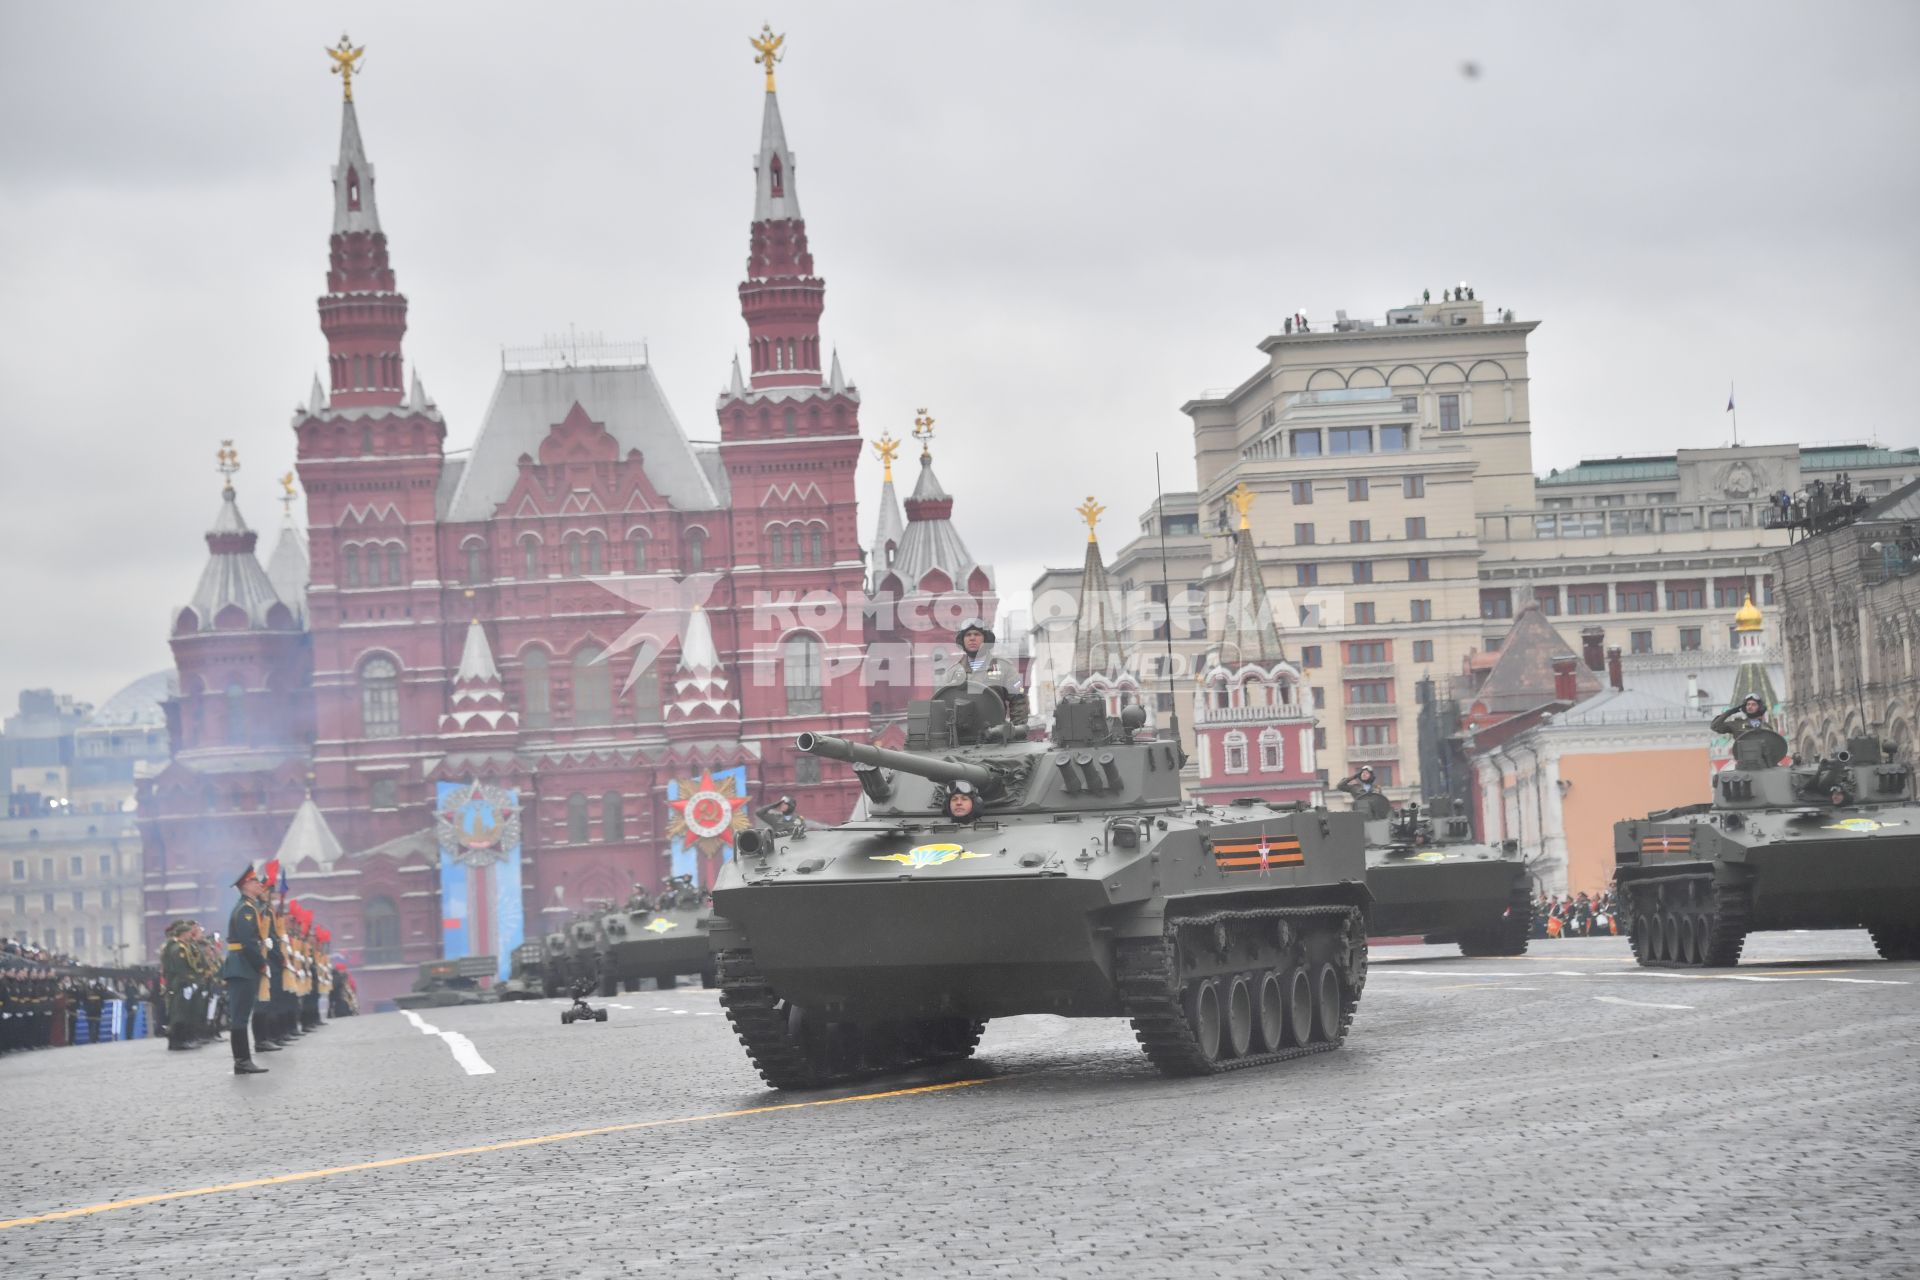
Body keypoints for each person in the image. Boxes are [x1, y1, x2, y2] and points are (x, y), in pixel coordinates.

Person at [218, 864, 272, 1075]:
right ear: (246, 885)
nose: (259, 884)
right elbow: (248, 943)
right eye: (255, 881)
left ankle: (243, 1061)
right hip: (242, 967)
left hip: (242, 966)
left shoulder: (249, 907)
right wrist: (261, 963)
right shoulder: (246, 910)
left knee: (241, 1016)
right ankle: (242, 1061)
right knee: (240, 1017)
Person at [940, 619, 1028, 721]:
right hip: (961, 734)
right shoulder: (953, 673)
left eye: (977, 634)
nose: (972, 638)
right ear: (962, 641)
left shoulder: (1004, 667)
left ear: (986, 639)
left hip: (995, 732)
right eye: (968, 635)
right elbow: (943, 705)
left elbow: (1019, 699)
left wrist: (1016, 730)